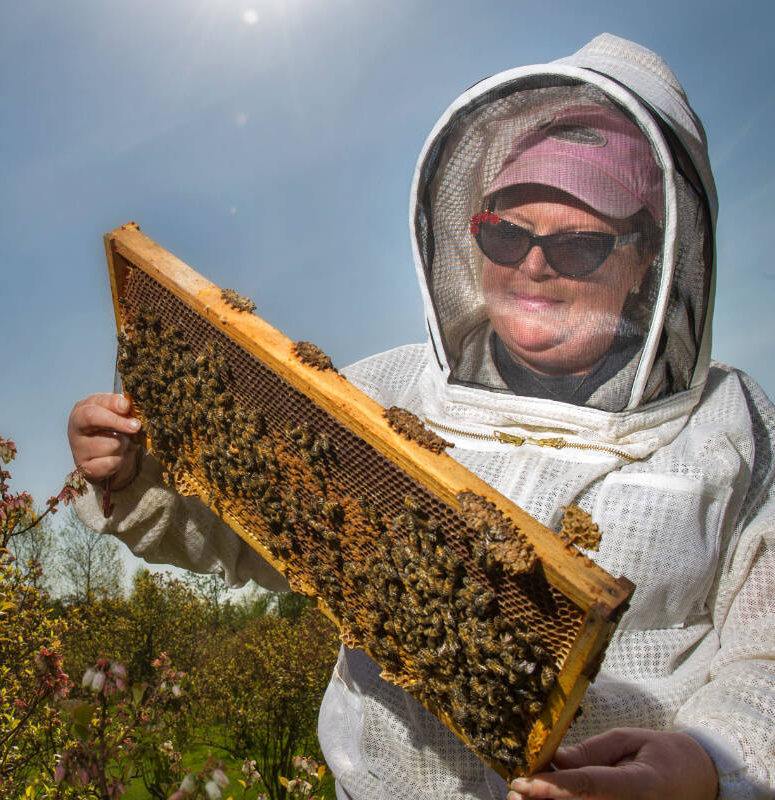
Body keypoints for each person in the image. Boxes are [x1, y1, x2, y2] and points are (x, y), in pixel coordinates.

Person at [66, 34, 774, 800]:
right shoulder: (389, 388)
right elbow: (265, 532)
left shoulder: (730, 425)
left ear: (647, 259)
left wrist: (711, 765)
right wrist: (142, 474)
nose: (532, 266)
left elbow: (765, 659)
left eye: (578, 247)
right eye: (506, 234)